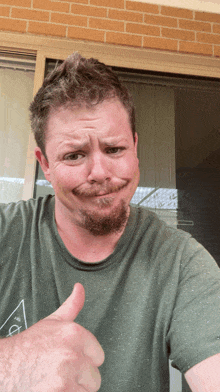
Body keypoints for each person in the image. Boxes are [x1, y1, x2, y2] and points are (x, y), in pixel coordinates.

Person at [0, 52, 220, 392]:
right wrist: (10, 366)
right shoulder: (6, 235)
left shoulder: (182, 264)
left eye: (114, 149)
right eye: (74, 155)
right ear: (45, 164)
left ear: (134, 146)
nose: (100, 173)